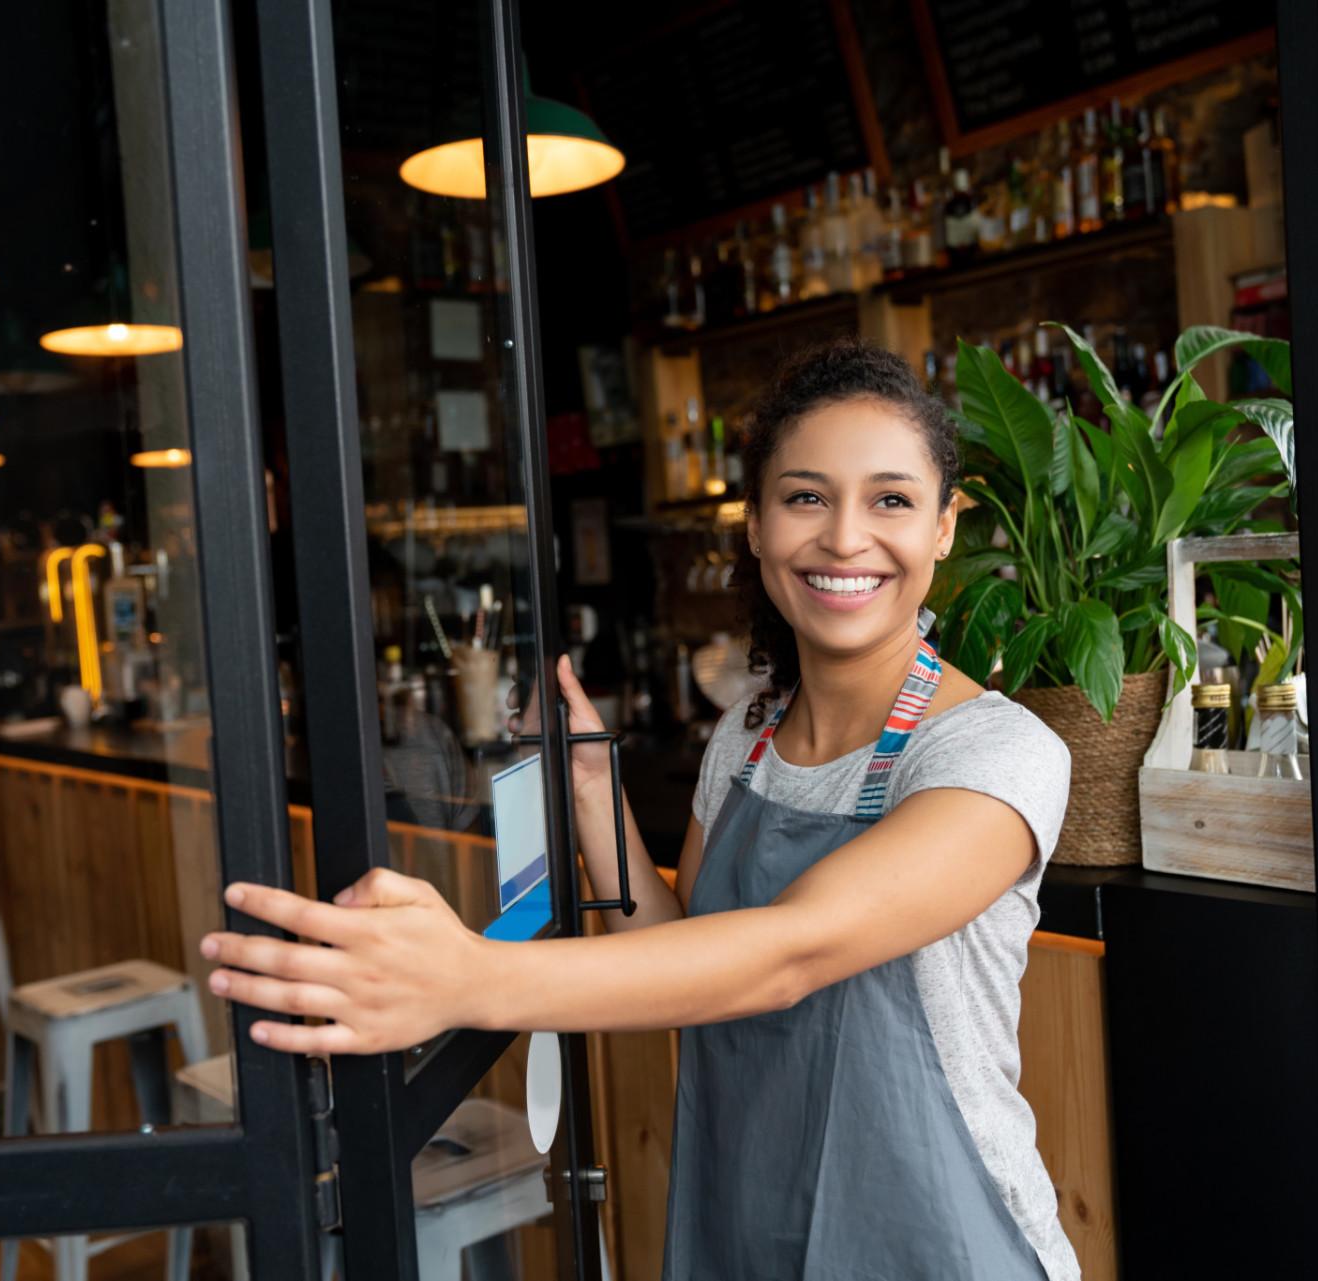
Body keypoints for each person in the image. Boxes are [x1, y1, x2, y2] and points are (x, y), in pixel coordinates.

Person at [202, 339, 1079, 1279]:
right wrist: (592, 793)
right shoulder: (745, 734)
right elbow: (685, 949)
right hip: (742, 1219)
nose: (845, 538)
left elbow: (790, 952)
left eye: (892, 499)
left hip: (935, 1241)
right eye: (806, 496)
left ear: (945, 527)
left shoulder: (994, 753)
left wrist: (466, 978)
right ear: (754, 524)